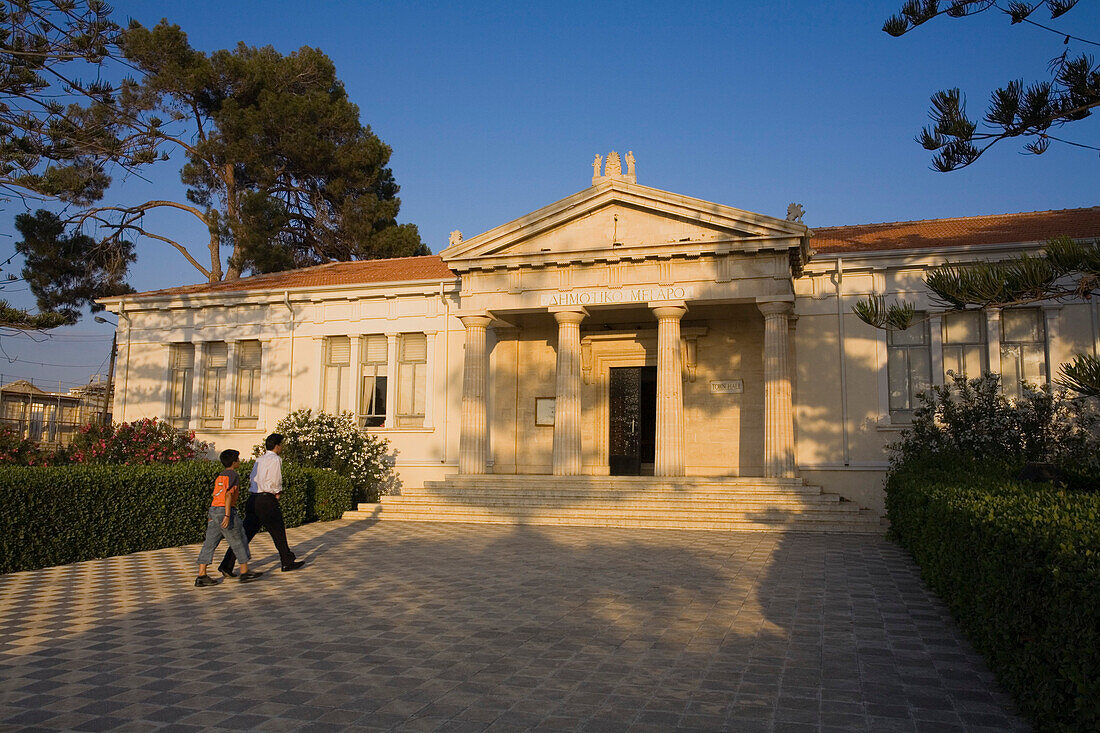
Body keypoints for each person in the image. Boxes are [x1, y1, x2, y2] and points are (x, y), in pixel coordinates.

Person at [218, 433, 305, 575]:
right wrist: (277, 492)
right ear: (277, 446)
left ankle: (226, 564)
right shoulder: (276, 459)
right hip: (266, 500)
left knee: (244, 535)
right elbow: (276, 478)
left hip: (253, 499)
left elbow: (253, 478)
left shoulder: (259, 459)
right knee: (278, 532)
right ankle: (287, 561)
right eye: (281, 445)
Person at [195, 449, 263, 586]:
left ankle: (201, 575)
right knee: (239, 539)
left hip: (214, 510)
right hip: (225, 511)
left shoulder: (221, 475)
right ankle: (245, 572)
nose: (239, 461)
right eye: (238, 459)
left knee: (209, 543)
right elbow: (228, 495)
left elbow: (216, 495)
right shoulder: (233, 475)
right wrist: (227, 514)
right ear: (234, 462)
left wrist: (211, 515)